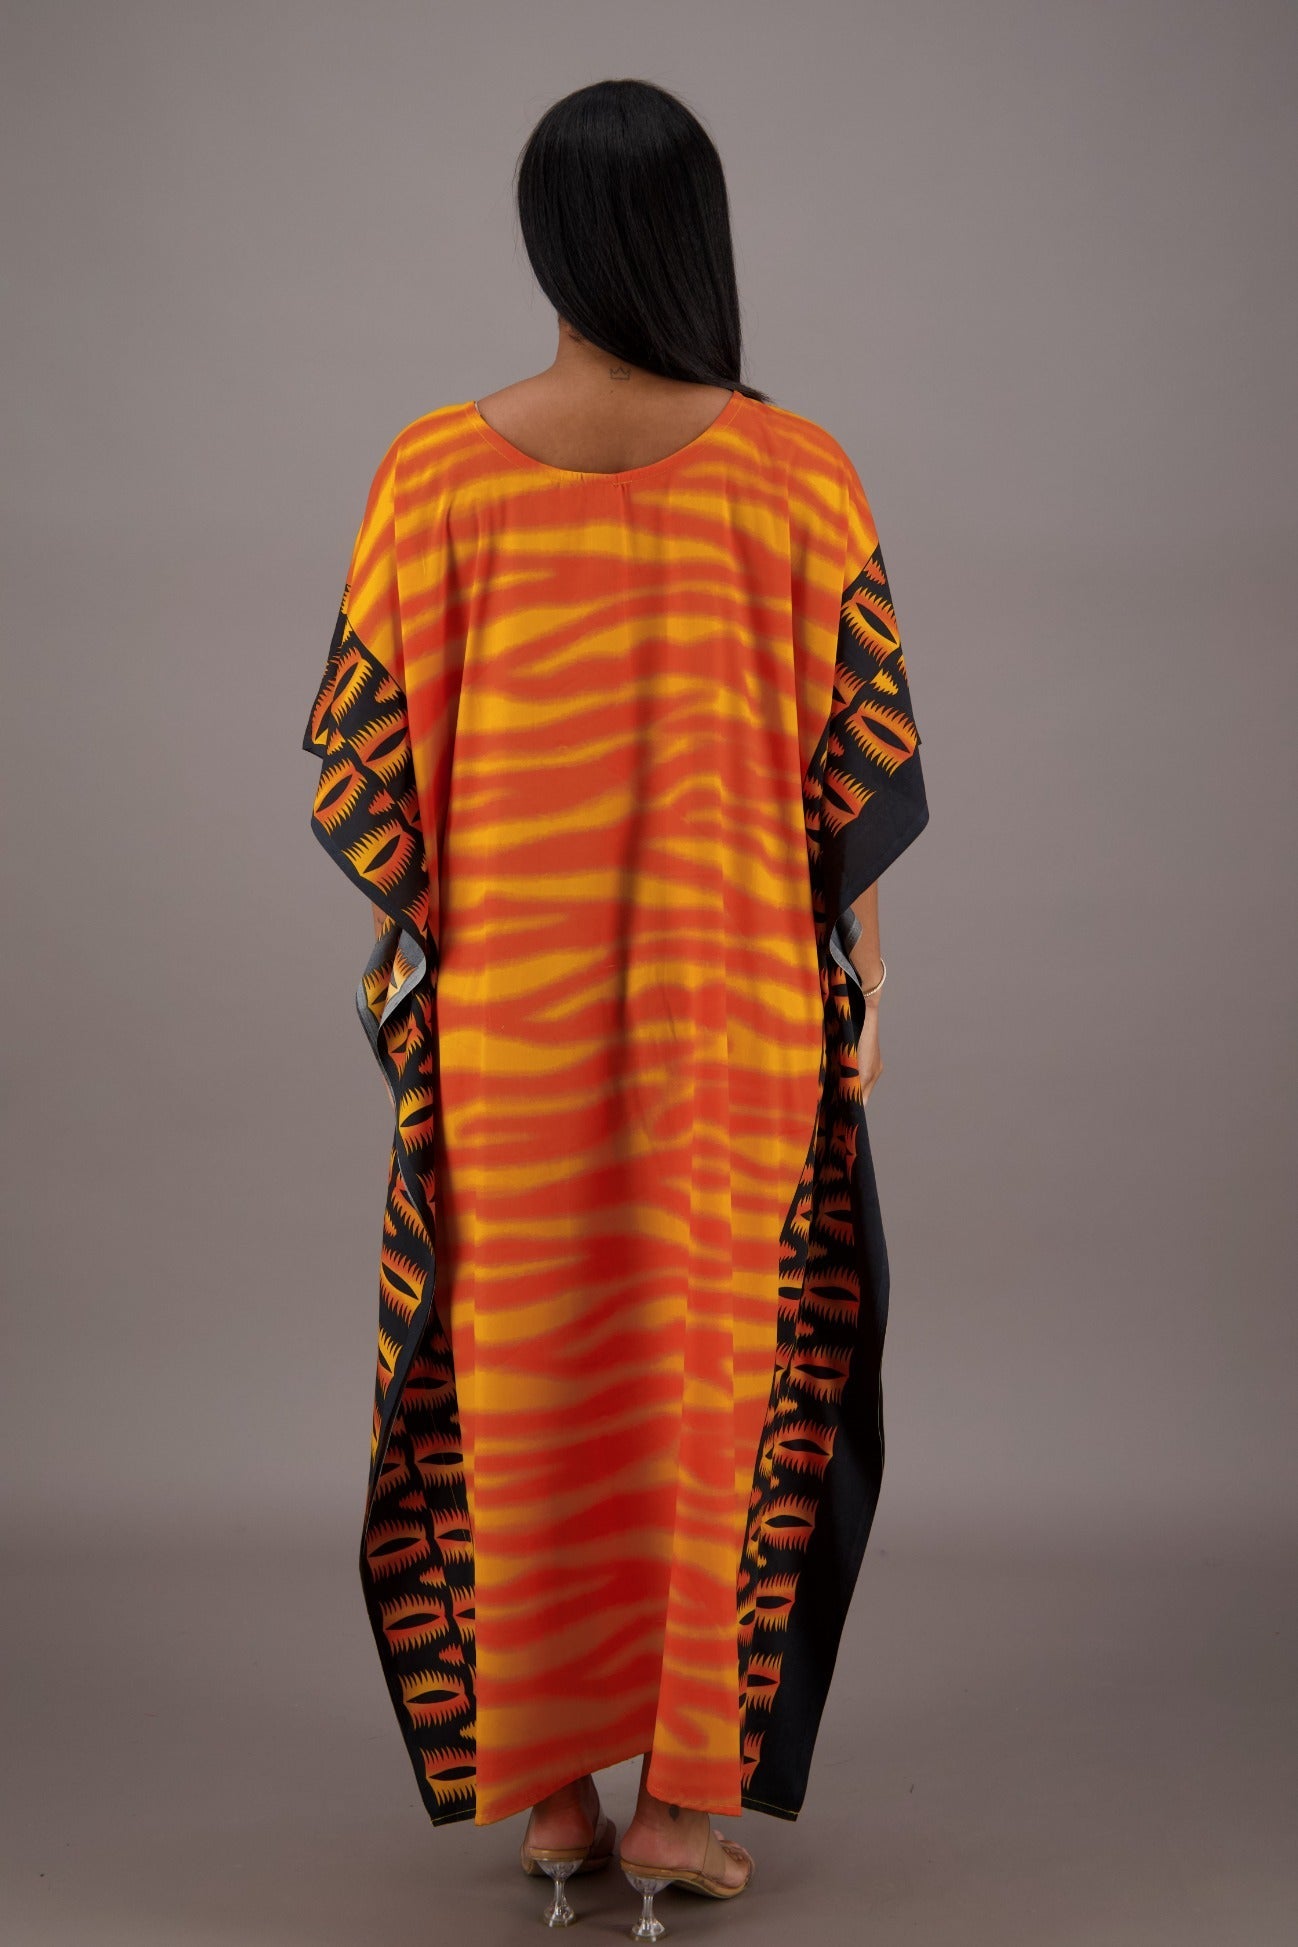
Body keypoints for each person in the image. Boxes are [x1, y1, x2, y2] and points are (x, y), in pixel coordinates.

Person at [302, 75, 929, 1936]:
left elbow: (371, 779)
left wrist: (421, 963)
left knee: (522, 1390)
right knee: (718, 1393)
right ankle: (680, 1808)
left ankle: (555, 1803)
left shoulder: (430, 475)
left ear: (548, 240)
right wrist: (862, 985)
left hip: (511, 1029)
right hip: (730, 1030)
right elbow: (849, 775)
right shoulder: (796, 474)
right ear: (694, 238)